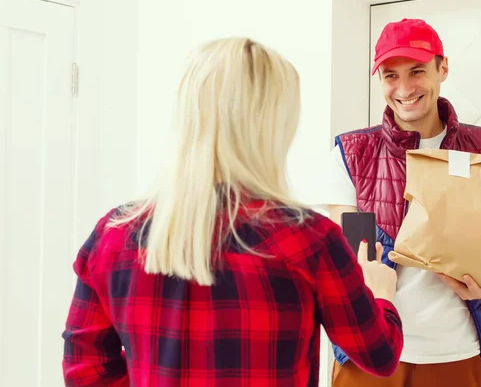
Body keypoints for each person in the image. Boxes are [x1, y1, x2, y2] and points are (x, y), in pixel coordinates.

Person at [61, 37, 404, 386]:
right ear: (274, 125)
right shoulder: (309, 239)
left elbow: (85, 373)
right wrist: (380, 294)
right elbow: (378, 355)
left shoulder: (115, 233)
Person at [328, 19, 481, 387]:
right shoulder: (353, 154)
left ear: (442, 68)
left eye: (417, 71)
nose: (404, 88)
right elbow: (357, 258)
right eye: (390, 75)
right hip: (372, 355)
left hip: (455, 352)